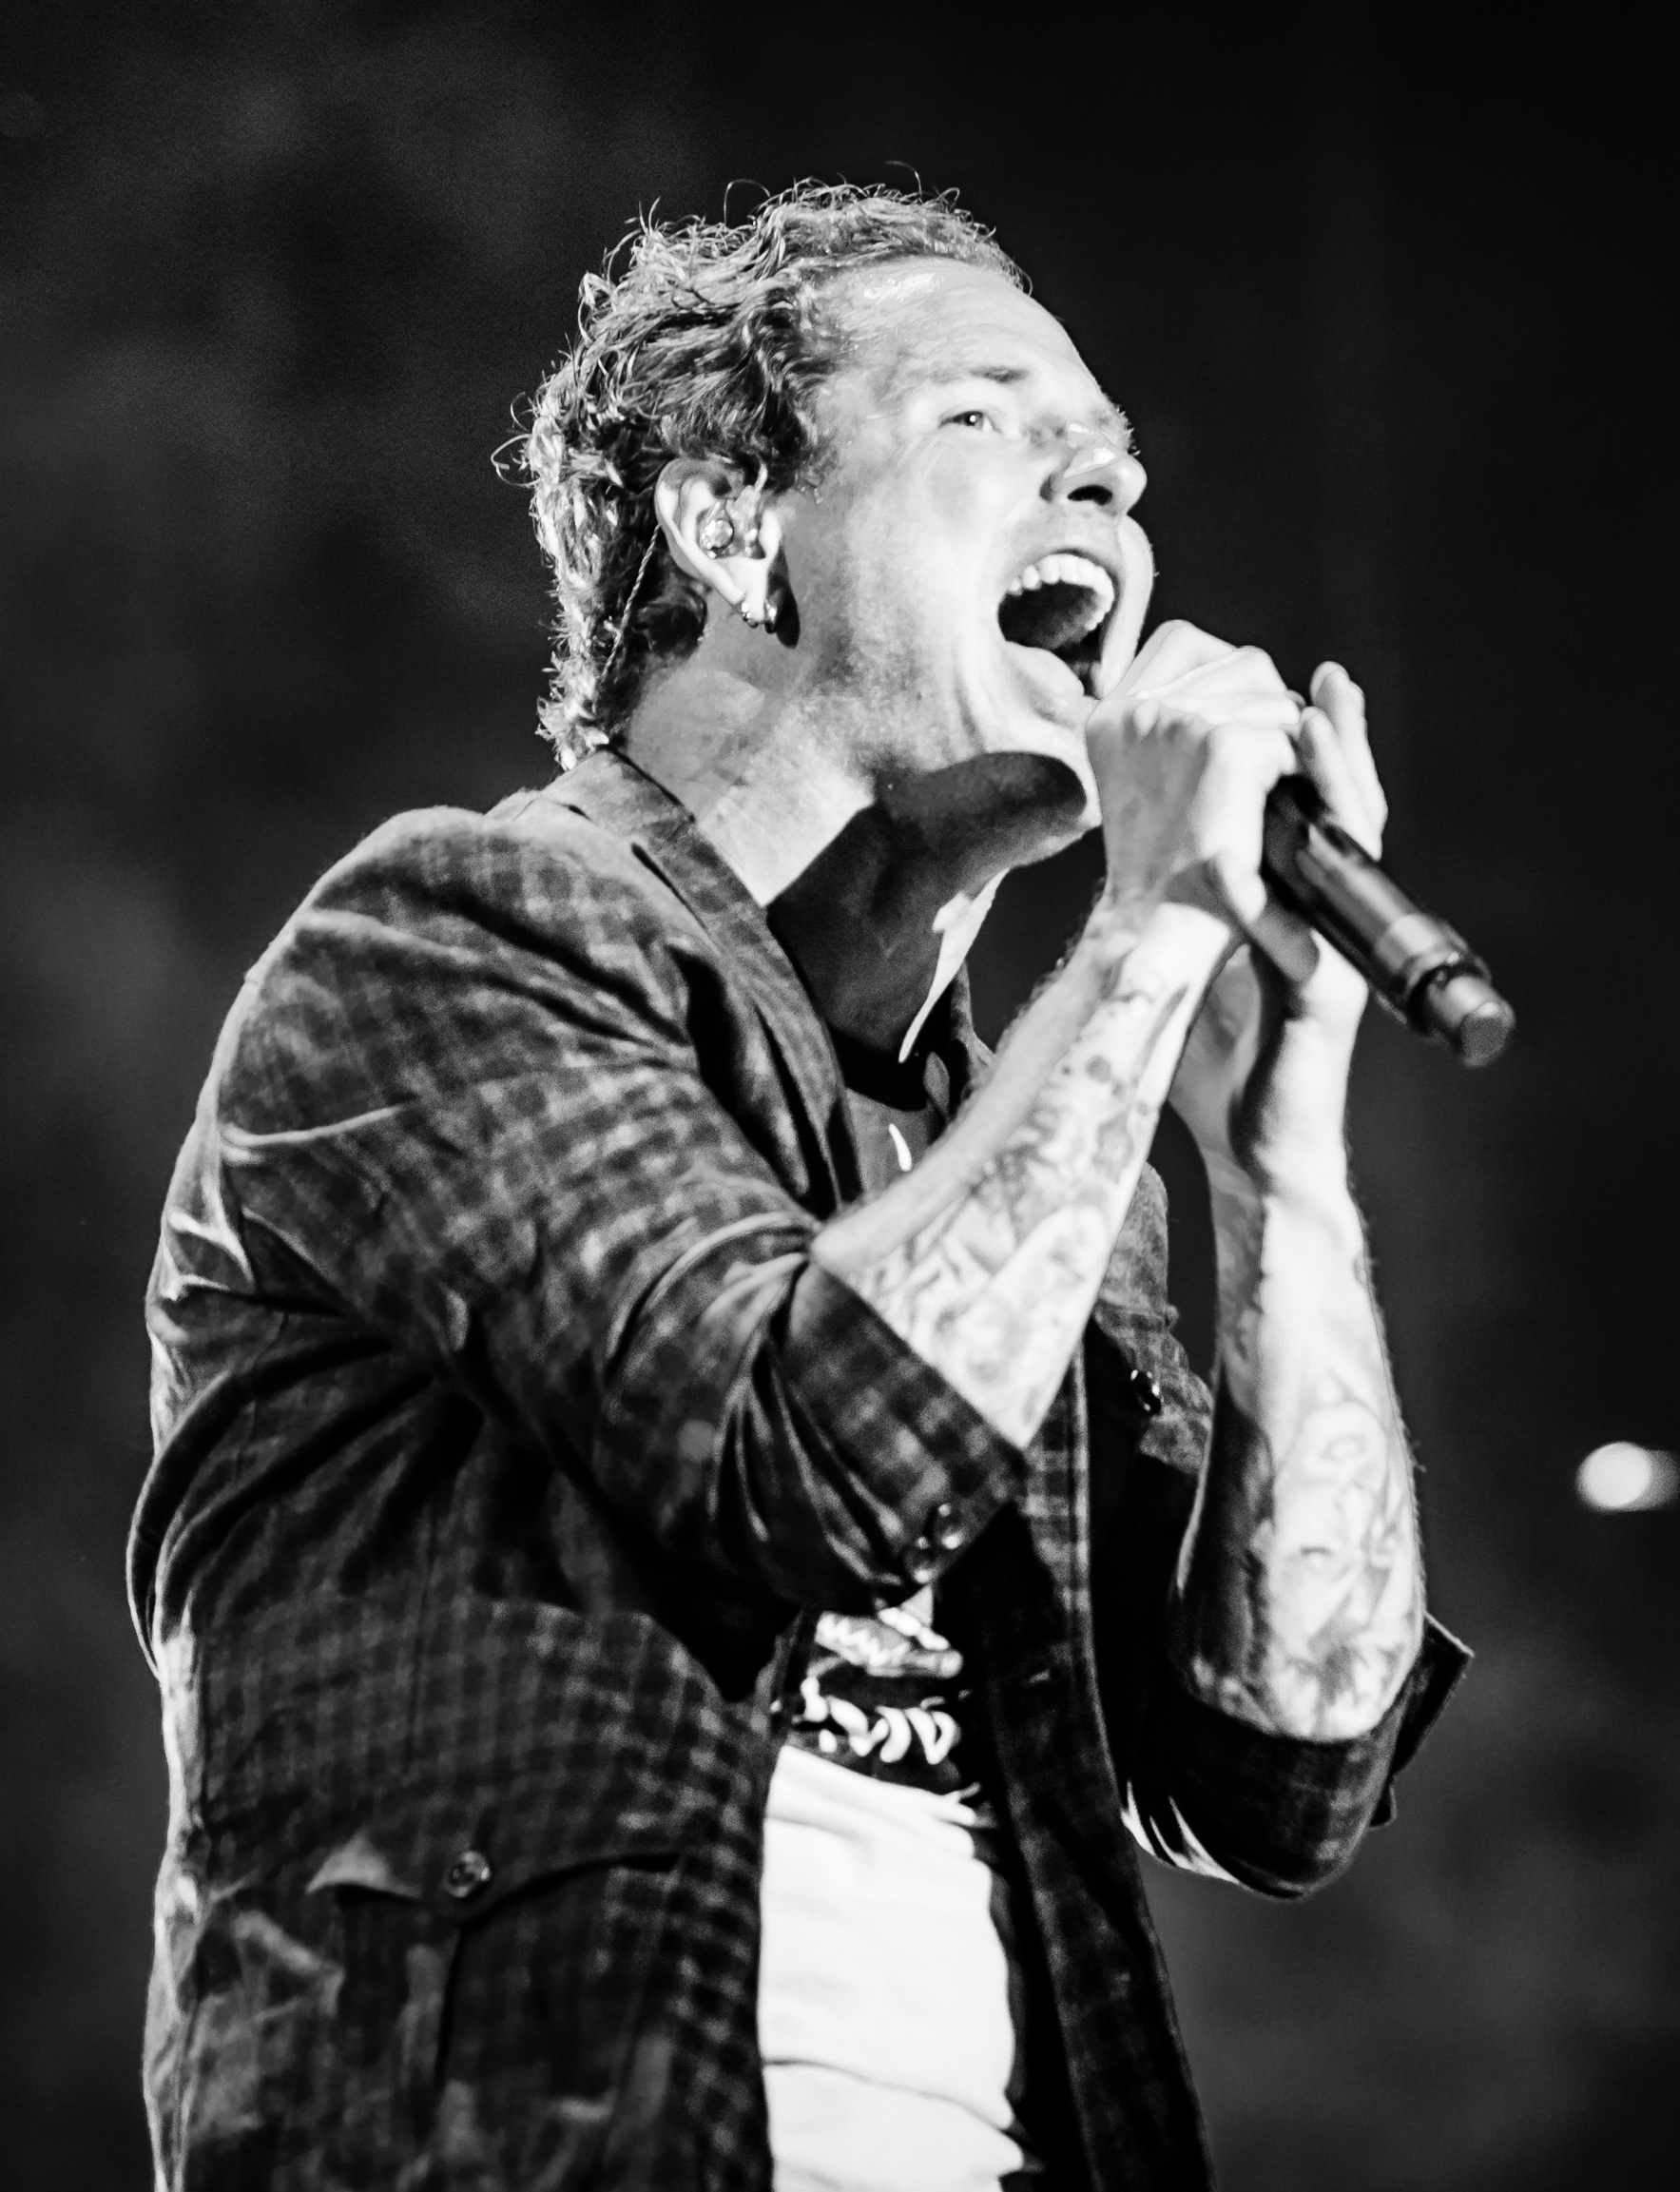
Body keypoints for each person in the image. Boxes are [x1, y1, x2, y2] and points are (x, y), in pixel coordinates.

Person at [131, 183, 1466, 2192]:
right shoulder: (448, 941)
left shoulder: (1016, 1145)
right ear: (729, 523)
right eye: (983, 420)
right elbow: (820, 1463)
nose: (1103, 483)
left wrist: (1276, 1169)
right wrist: (1137, 941)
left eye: (1111, 457)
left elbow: (1286, 1773)